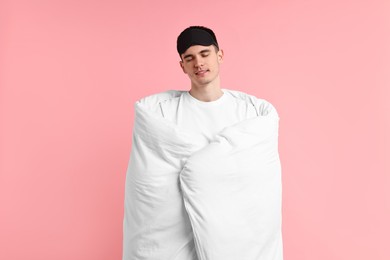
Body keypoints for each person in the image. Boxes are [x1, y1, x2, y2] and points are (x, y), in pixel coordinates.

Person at [123, 26, 283, 260]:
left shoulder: (250, 113)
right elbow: (150, 185)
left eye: (205, 53)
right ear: (182, 66)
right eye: (190, 58)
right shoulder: (162, 114)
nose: (198, 62)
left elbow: (258, 187)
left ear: (219, 55)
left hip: (237, 239)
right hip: (177, 239)